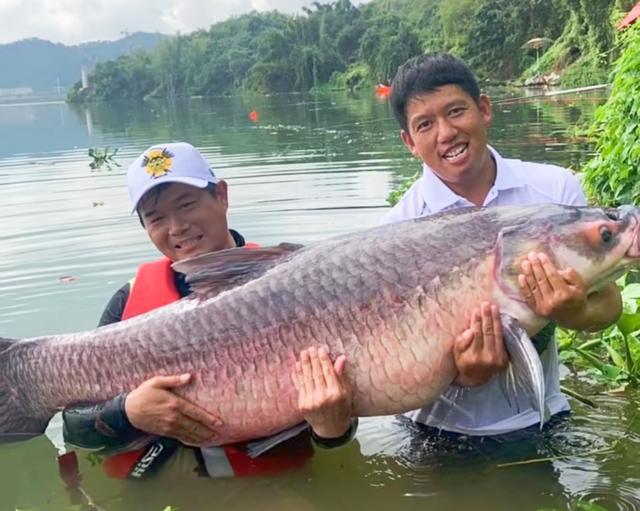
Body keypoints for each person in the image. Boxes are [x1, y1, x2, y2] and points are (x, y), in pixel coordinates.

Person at [61, 142, 357, 479]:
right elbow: (74, 427)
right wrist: (128, 412)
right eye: (156, 218)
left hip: (275, 484)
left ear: (221, 195)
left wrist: (333, 430)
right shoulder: (127, 303)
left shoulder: (293, 280)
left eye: (186, 205)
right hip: (163, 486)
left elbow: (346, 393)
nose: (176, 227)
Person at [381, 53, 622, 437]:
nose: (446, 133)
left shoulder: (553, 192)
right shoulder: (398, 230)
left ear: (485, 109)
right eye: (425, 124)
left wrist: (572, 310)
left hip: (540, 417)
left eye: (456, 111)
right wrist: (464, 375)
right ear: (409, 142)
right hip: (435, 431)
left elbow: (609, 305)